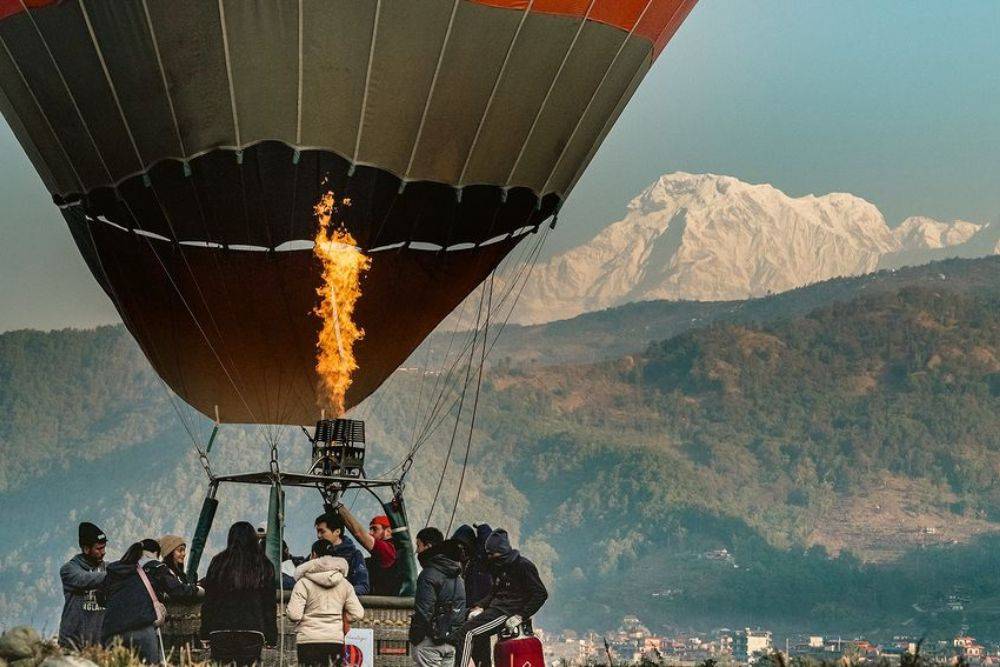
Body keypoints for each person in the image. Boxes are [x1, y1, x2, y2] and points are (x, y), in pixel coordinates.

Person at [453, 530, 548, 667]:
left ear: (501, 551)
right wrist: (480, 606)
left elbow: (540, 593)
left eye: (492, 553)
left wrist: (521, 615)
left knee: (467, 634)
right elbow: (495, 592)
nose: (490, 557)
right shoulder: (499, 566)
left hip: (506, 612)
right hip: (495, 609)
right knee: (458, 626)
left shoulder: (523, 566)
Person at [201, 522, 278, 665]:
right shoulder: (264, 564)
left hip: (220, 628)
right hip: (252, 629)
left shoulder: (218, 562)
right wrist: (271, 635)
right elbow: (269, 604)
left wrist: (205, 632)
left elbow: (209, 601)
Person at [286, 539, 365, 667]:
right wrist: (342, 617)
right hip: (334, 640)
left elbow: (294, 615)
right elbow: (358, 613)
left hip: (308, 641)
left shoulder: (303, 583)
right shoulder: (345, 584)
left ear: (313, 555)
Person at [99, 540, 169, 664]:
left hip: (113, 633)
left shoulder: (112, 572)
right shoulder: (145, 572)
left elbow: (100, 598)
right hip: (142, 630)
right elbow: (171, 590)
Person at [410, 528, 465, 667]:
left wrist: (416, 637)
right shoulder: (458, 576)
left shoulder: (428, 574)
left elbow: (424, 611)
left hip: (429, 643)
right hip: (451, 642)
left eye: (418, 545)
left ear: (428, 546)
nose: (417, 551)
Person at [59, 522, 108, 650]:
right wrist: (116, 573)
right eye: (98, 549)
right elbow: (84, 579)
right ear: (86, 549)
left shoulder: (107, 568)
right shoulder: (69, 570)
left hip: (99, 645)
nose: (103, 552)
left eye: (104, 548)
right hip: (72, 643)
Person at [450, 524, 493, 667]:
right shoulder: (462, 566)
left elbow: (487, 544)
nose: (459, 550)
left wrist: (483, 529)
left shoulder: (480, 562)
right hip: (467, 612)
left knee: (481, 653)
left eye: (462, 546)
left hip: (479, 612)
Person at [334, 505, 399, 596]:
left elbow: (359, 534)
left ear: (388, 532)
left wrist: (339, 507)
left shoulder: (389, 550)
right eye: (370, 529)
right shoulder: (373, 559)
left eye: (375, 529)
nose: (370, 533)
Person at [315, 512, 370, 595]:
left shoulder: (354, 555)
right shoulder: (317, 552)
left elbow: (363, 586)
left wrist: (338, 593)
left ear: (337, 531)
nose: (318, 536)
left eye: (322, 532)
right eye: (317, 532)